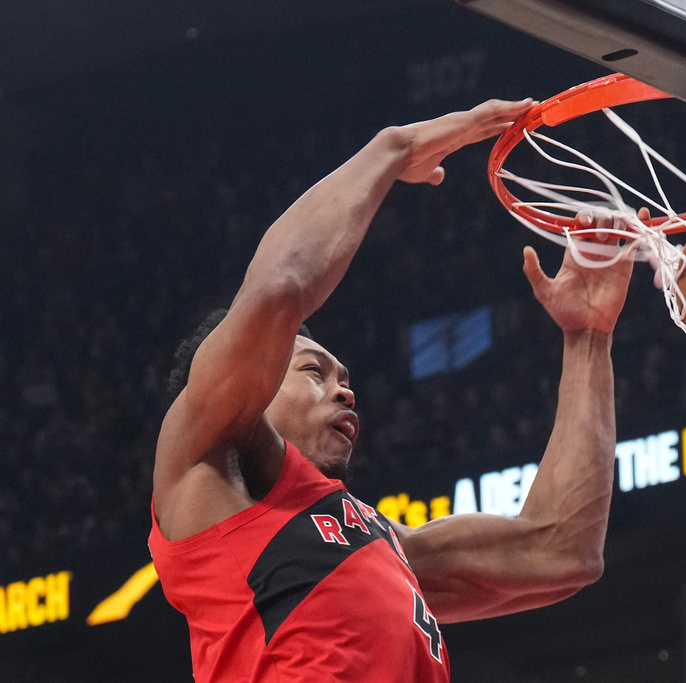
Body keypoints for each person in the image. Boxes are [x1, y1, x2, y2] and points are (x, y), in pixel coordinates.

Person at [149, 98, 635, 682]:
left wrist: (587, 338)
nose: (344, 392)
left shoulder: (379, 542)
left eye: (345, 379)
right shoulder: (205, 470)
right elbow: (279, 289)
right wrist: (392, 150)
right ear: (245, 384)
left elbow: (562, 551)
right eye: (313, 372)